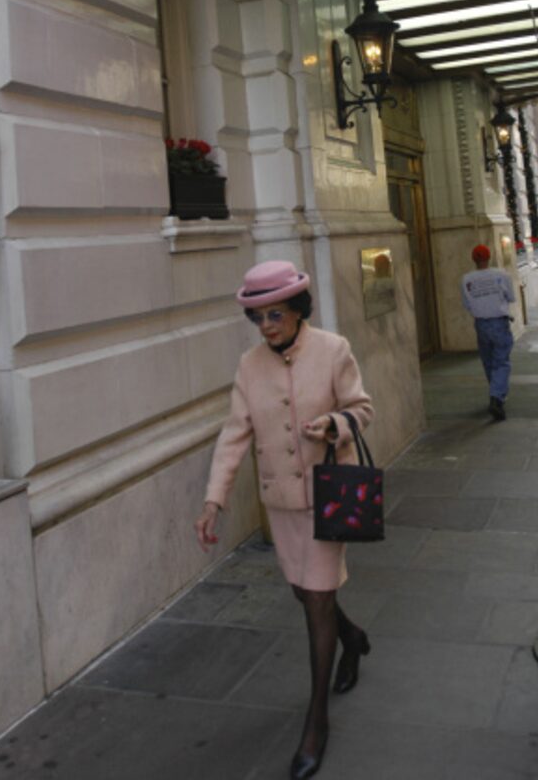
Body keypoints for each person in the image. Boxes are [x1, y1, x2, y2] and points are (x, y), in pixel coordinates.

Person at [194, 260, 374, 780]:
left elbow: (362, 409)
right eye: (257, 317)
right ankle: (354, 637)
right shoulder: (250, 366)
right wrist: (214, 500)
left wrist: (335, 425)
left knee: (317, 599)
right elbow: (234, 435)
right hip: (281, 504)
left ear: (297, 309)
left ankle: (316, 723)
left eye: (275, 314)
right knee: (304, 592)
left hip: (329, 496)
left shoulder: (333, 350)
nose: (267, 325)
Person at [460, 243, 516, 421]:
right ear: (489, 257)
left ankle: (496, 393)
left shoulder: (466, 279)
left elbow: (467, 304)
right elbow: (511, 297)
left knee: (488, 360)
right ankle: (496, 398)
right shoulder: (501, 275)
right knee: (501, 361)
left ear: (473, 260)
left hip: (481, 324)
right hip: (499, 322)